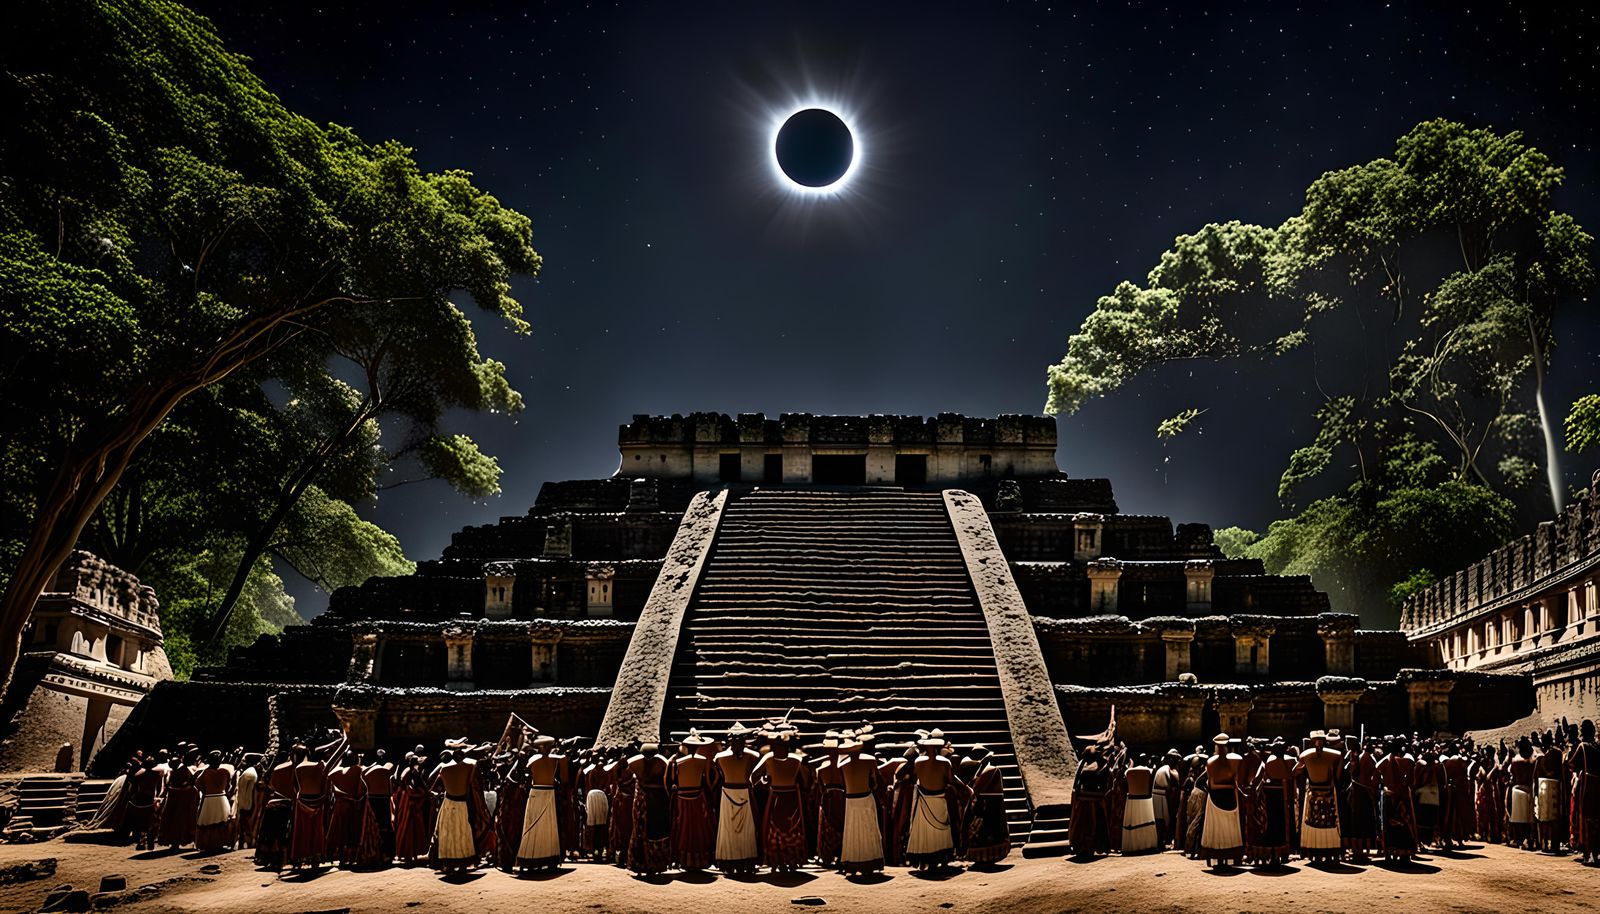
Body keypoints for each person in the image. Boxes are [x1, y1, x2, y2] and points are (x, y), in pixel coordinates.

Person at [904, 731, 965, 870]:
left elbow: (914, 777)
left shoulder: (918, 762)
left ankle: (927, 856)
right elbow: (950, 781)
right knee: (941, 830)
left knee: (925, 829)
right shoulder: (945, 762)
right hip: (938, 799)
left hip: (925, 800)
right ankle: (941, 857)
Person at [754, 729, 809, 872]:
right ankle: (791, 860)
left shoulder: (768, 759)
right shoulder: (797, 760)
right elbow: (805, 782)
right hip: (791, 798)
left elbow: (754, 775)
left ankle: (777, 860)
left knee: (775, 829)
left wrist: (764, 781)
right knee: (792, 829)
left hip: (777, 797)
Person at [290, 733, 346, 869]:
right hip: (318, 801)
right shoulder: (320, 766)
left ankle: (301, 857)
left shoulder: (297, 768)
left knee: (301, 831)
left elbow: (295, 788)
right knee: (316, 830)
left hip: (302, 800)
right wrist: (343, 741)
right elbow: (334, 761)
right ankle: (315, 857)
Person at [712, 723, 760, 873]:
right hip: (736, 792)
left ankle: (732, 860)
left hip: (732, 793)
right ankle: (743, 860)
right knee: (740, 828)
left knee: (731, 828)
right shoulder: (753, 756)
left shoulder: (719, 758)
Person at [836, 732, 884, 875]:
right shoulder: (869, 760)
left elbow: (844, 786)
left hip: (851, 800)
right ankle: (869, 860)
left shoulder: (842, 765)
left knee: (852, 831)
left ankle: (853, 861)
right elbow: (875, 782)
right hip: (865, 798)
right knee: (868, 830)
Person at [1296, 731, 1342, 863]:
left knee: (1314, 824)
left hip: (1313, 793)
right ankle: (1330, 852)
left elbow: (1295, 771)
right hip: (1327, 792)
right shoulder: (1335, 755)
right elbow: (1338, 776)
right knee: (1329, 824)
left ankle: (1314, 852)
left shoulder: (1305, 755)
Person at [628, 741, 673, 874]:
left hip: (641, 803)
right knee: (658, 832)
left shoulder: (634, 763)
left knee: (639, 832)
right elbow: (668, 783)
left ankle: (640, 864)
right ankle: (656, 864)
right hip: (657, 801)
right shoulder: (662, 763)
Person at [432, 748, 480, 873]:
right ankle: (462, 862)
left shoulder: (444, 769)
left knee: (448, 833)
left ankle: (449, 863)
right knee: (462, 832)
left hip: (449, 802)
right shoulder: (470, 766)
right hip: (462, 803)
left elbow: (430, 781)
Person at [1200, 733, 1244, 868]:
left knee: (1217, 828)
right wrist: (1231, 786)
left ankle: (1218, 857)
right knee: (1229, 828)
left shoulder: (1211, 762)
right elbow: (1235, 782)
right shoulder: (1234, 761)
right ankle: (1229, 855)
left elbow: (1212, 785)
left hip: (1215, 799)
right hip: (1230, 797)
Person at [962, 745, 1012, 864]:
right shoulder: (982, 771)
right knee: (984, 830)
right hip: (986, 803)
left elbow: (977, 788)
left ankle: (987, 857)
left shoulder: (990, 770)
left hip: (989, 804)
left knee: (986, 830)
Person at [1248, 739, 1293, 866]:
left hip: (1270, 798)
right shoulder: (1289, 762)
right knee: (1281, 826)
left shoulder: (1267, 763)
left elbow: (1258, 779)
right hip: (1282, 799)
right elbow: (1291, 778)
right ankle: (1280, 854)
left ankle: (1271, 854)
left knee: (1270, 826)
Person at [1377, 737, 1418, 861]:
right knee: (1404, 825)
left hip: (1390, 796)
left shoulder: (1385, 761)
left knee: (1390, 826)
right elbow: (1412, 781)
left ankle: (1390, 852)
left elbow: (1374, 777)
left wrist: (1383, 788)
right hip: (1403, 796)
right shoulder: (1408, 761)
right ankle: (1404, 853)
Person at [157, 747, 201, 850]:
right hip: (180, 799)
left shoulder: (181, 770)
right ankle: (176, 841)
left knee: (177, 820)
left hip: (179, 799)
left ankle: (177, 841)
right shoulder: (178, 771)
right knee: (178, 820)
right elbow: (182, 784)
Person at [393, 753, 432, 866]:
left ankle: (412, 853)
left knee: (413, 826)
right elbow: (408, 786)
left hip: (408, 799)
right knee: (408, 825)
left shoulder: (411, 771)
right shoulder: (410, 772)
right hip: (409, 801)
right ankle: (408, 853)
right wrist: (421, 793)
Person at [1571, 718, 1599, 865]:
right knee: (1596, 820)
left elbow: (1572, 763)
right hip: (1598, 784)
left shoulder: (1583, 747)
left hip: (1588, 785)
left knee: (1587, 820)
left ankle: (1589, 855)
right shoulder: (1597, 746)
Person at [194, 751, 233, 852]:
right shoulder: (225, 772)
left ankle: (208, 844)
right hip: (222, 798)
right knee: (222, 822)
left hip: (209, 799)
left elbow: (198, 784)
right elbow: (229, 786)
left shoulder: (205, 772)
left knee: (208, 823)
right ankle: (221, 843)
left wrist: (206, 791)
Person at [1119, 752, 1158, 855]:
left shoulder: (1128, 771)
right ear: (1147, 761)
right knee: (1146, 822)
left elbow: (1124, 787)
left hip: (1131, 801)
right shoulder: (1149, 771)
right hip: (1146, 800)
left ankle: (1132, 846)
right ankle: (1146, 844)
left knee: (1133, 824)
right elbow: (1151, 787)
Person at [363, 749, 396, 864]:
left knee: (375, 826)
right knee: (384, 827)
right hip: (382, 799)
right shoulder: (388, 769)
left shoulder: (367, 771)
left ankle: (378, 853)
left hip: (373, 799)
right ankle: (384, 853)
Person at [1534, 730, 1564, 852]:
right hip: (1546, 786)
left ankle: (1550, 844)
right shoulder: (1549, 753)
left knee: (1550, 817)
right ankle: (1547, 844)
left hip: (1549, 785)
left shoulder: (1552, 753)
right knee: (1546, 817)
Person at [1507, 737, 1536, 849]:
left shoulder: (1515, 760)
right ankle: (1529, 839)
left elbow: (1513, 775)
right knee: (1529, 818)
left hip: (1517, 789)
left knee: (1518, 818)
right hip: (1529, 788)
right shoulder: (1532, 761)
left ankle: (1518, 839)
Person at [1152, 749, 1183, 849]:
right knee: (1161, 820)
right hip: (1160, 797)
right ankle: (1161, 842)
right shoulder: (1167, 770)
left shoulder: (1167, 769)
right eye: (1174, 759)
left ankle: (1163, 841)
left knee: (1163, 820)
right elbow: (1172, 786)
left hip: (1162, 796)